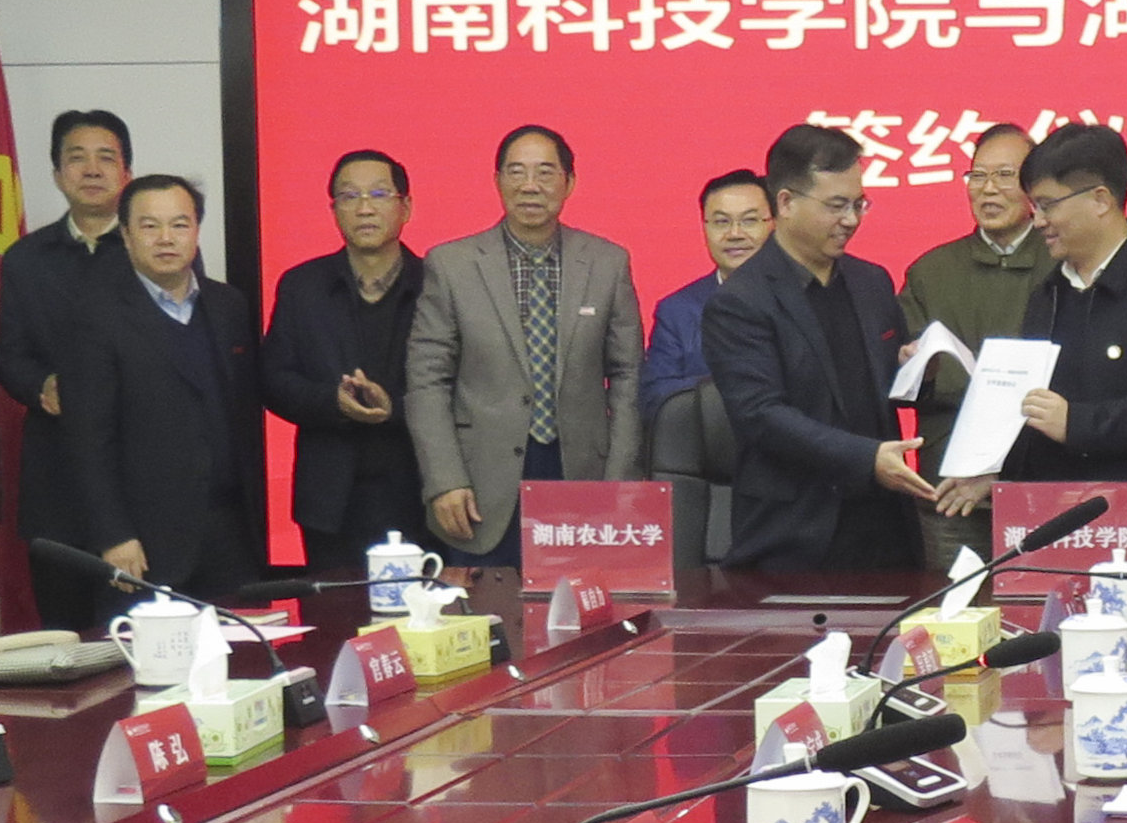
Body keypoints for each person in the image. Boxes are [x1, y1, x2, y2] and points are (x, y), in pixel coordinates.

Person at [934, 123, 1127, 570]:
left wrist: (1077, 422)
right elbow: (1035, 411)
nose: (1038, 221)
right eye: (1036, 206)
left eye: (1048, 205)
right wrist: (995, 470)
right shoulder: (1047, 296)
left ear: (1101, 200)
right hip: (1056, 538)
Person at [401, 124, 645, 569]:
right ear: (497, 181)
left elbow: (628, 376)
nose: (530, 185)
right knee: (488, 610)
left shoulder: (608, 263)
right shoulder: (452, 265)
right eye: (516, 172)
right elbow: (426, 381)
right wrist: (444, 479)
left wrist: (619, 481)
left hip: (581, 475)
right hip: (479, 484)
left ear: (569, 182)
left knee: (579, 606)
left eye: (545, 172)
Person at [704, 125, 933, 571]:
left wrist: (917, 370)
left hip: (885, 525)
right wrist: (866, 458)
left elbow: (885, 391)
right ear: (786, 203)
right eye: (836, 205)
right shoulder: (740, 301)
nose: (851, 219)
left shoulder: (872, 282)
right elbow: (761, 415)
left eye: (859, 204)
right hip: (794, 533)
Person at [61, 175, 264, 603]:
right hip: (145, 541)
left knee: (244, 641)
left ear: (196, 231)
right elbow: (87, 439)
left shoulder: (228, 305)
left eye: (179, 224)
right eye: (150, 226)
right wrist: (113, 535)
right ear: (126, 235)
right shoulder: (94, 317)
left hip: (232, 533)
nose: (166, 238)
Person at [260, 149, 429, 576]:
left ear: (406, 206)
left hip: (420, 492)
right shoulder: (302, 286)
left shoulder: (437, 285)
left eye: (379, 194)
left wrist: (396, 408)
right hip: (330, 500)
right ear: (334, 210)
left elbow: (466, 385)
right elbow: (273, 380)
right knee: (336, 612)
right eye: (350, 196)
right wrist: (331, 402)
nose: (365, 208)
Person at [0, 109, 133, 626]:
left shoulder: (154, 252)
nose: (92, 170)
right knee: (67, 636)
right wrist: (41, 385)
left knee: (141, 634)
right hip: (57, 481)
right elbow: (10, 357)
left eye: (106, 158)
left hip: (135, 472)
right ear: (56, 174)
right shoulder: (25, 259)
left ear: (127, 173)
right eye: (77, 158)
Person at [896, 123, 1046, 568]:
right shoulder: (930, 271)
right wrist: (910, 368)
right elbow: (898, 386)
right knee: (952, 606)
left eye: (1004, 175)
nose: (988, 189)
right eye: (977, 176)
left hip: (1041, 484)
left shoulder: (1063, 264)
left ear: (1035, 187)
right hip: (951, 490)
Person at [639, 169, 772, 421]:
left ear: (774, 224)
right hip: (707, 441)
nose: (735, 234)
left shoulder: (807, 298)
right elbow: (655, 395)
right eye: (721, 222)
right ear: (704, 228)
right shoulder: (677, 311)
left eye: (749, 220)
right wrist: (734, 388)